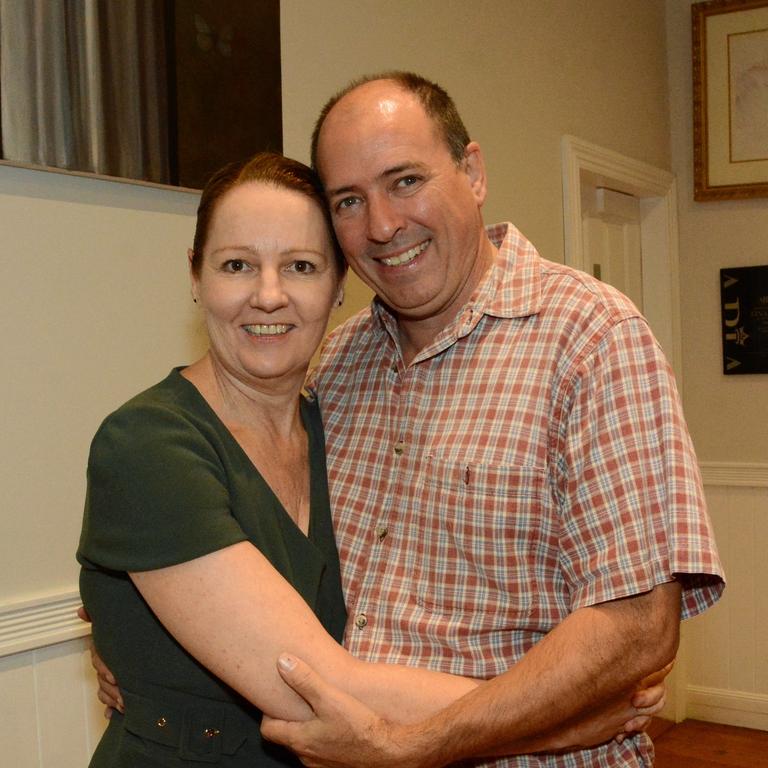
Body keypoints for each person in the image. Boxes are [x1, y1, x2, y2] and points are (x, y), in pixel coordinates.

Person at [79, 151, 659, 768]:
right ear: (196, 277)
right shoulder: (148, 443)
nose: (268, 296)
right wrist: (563, 720)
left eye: (301, 266)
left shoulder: (342, 423)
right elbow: (313, 683)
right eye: (237, 265)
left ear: (337, 288)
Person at [256, 72, 725, 768]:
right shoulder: (336, 362)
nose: (382, 225)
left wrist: (410, 746)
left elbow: (636, 628)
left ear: (472, 173)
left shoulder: (591, 337)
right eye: (350, 200)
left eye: (406, 180)